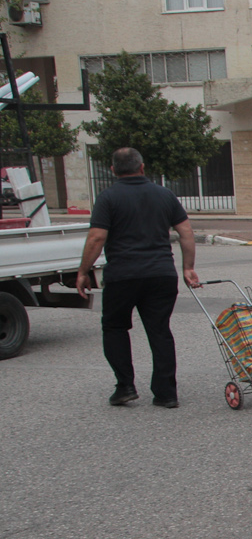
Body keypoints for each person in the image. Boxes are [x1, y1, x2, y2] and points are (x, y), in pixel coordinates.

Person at [75, 147, 200, 408]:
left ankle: (125, 386)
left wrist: (83, 271)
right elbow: (186, 232)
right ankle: (166, 393)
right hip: (161, 274)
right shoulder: (164, 194)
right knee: (159, 331)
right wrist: (188, 267)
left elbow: (97, 237)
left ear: (113, 171)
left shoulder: (108, 198)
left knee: (115, 328)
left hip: (123, 276)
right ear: (142, 167)